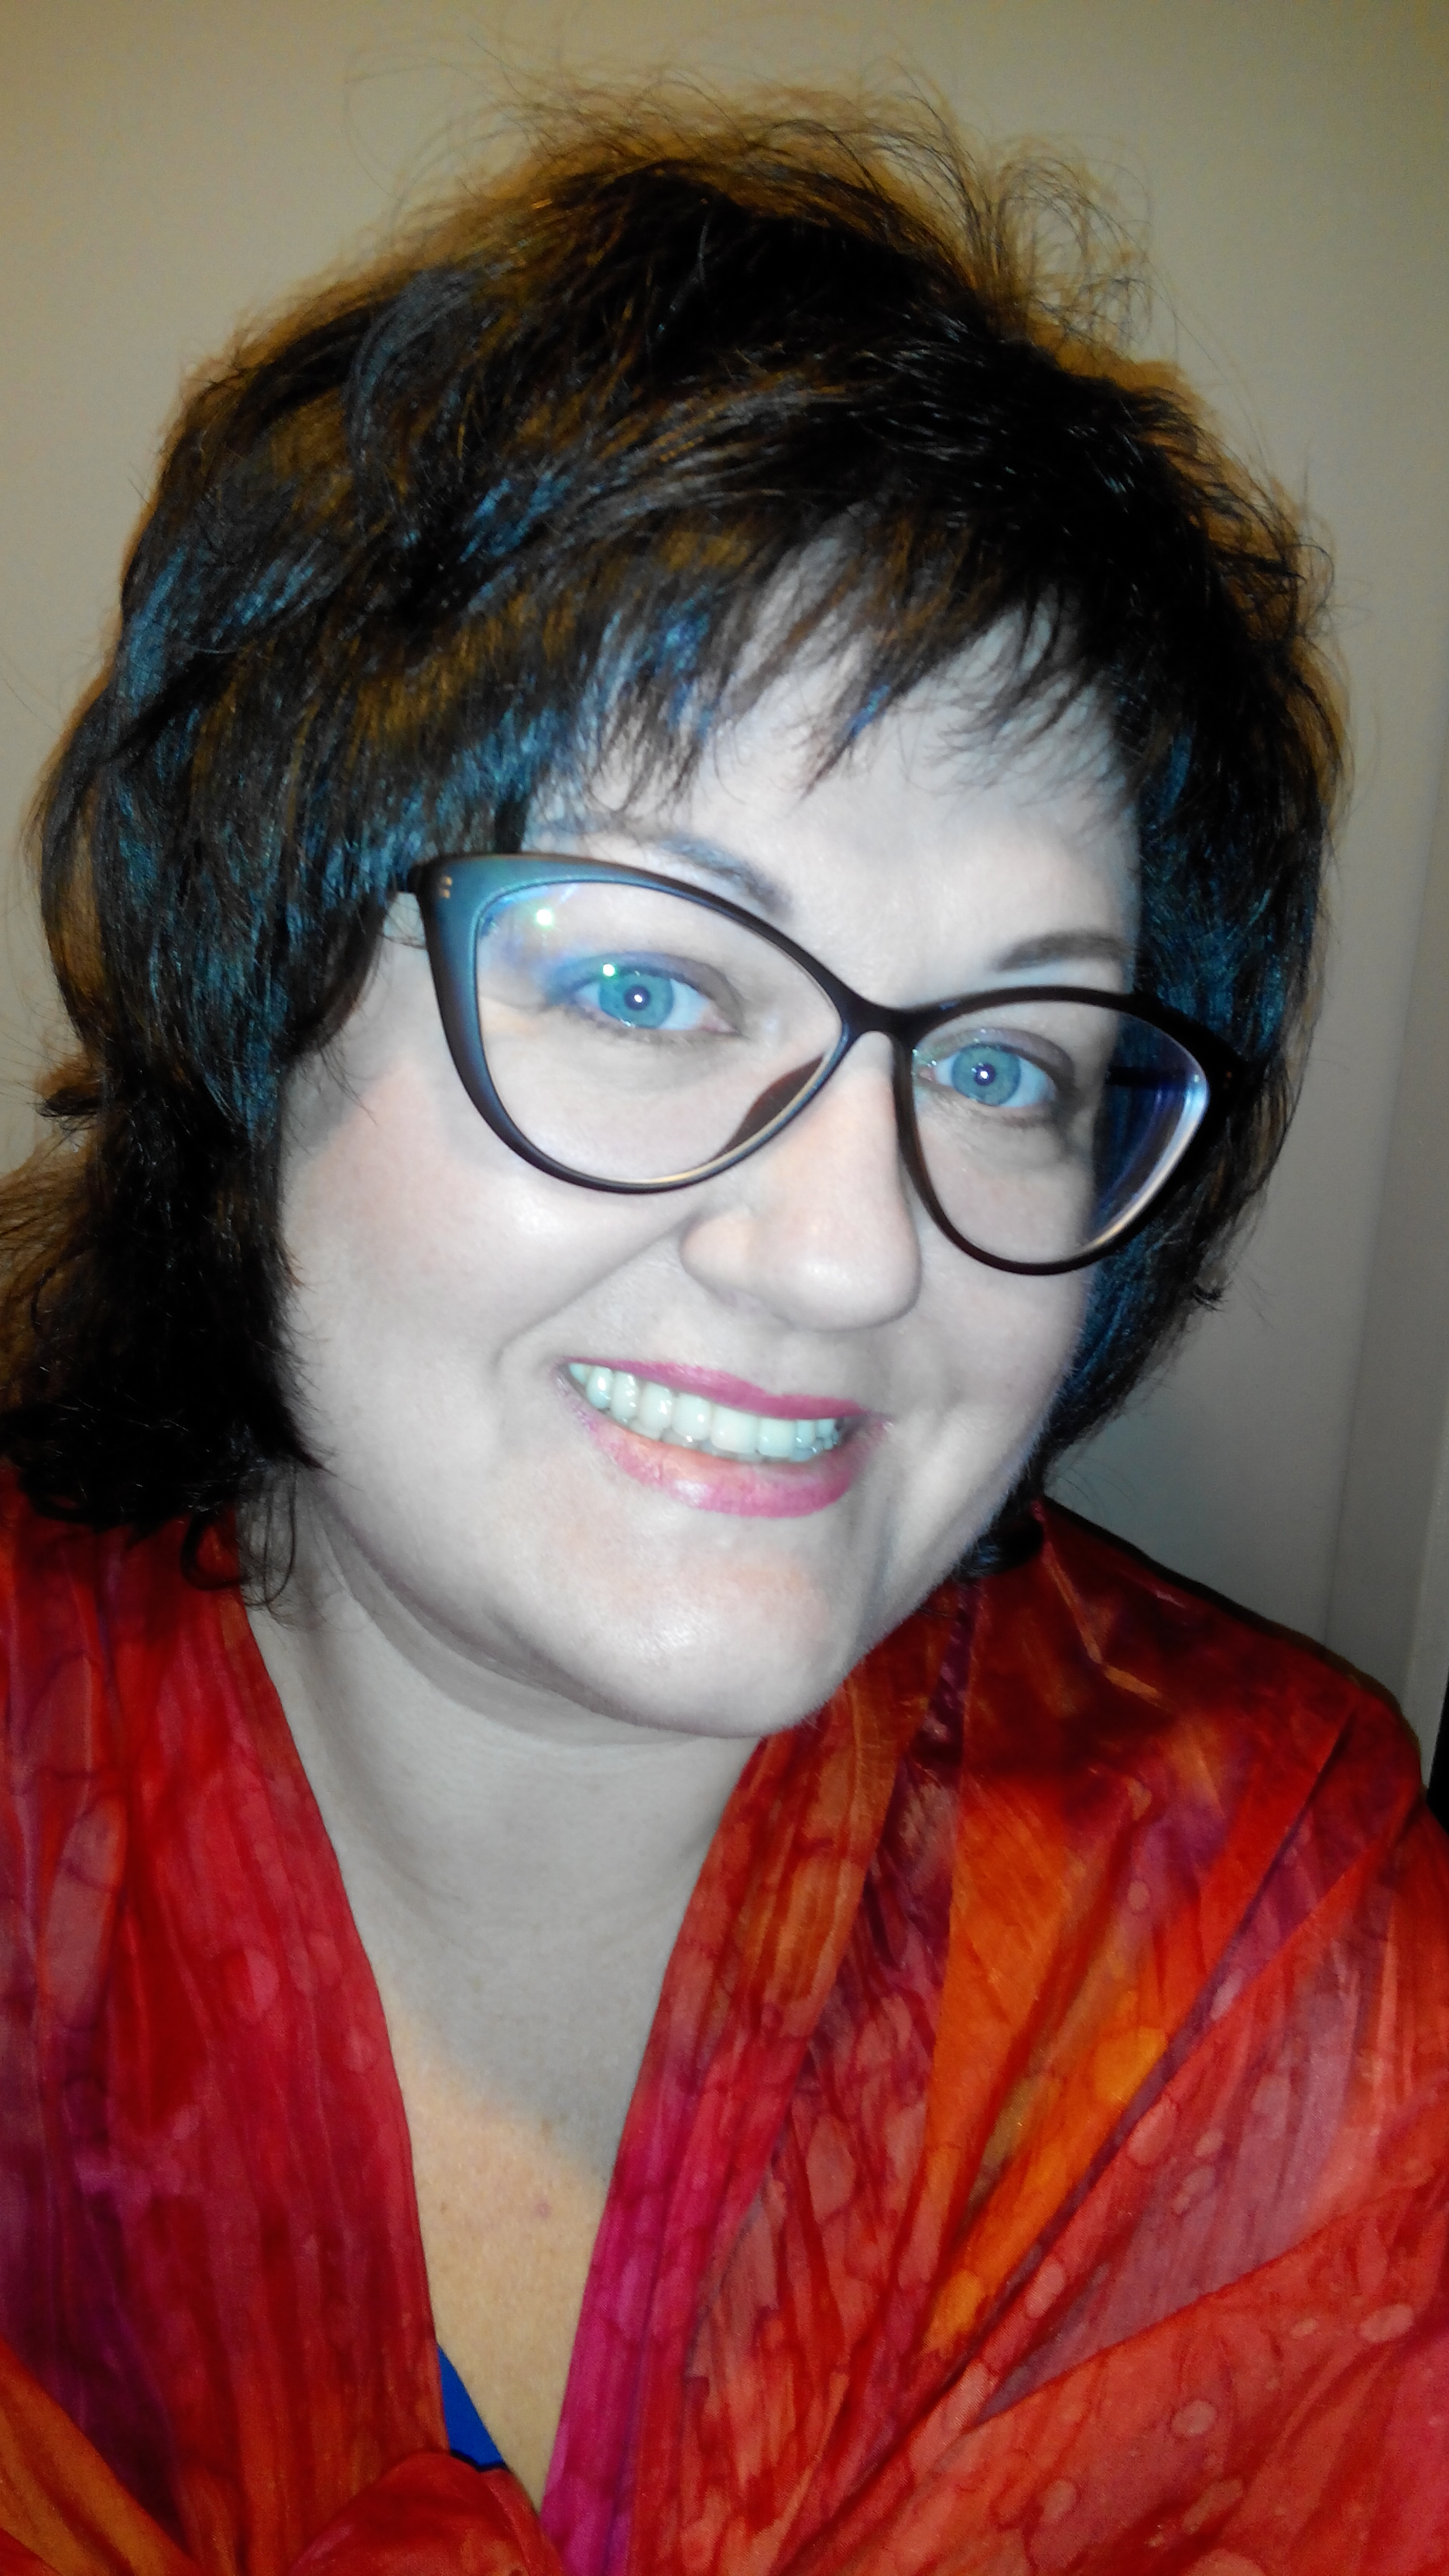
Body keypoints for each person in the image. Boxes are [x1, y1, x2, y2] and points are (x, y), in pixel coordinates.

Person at [0, 98, 1444, 2576]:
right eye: (650, 984)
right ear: (257, 991)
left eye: (1007, 1063)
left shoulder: (1287, 1997)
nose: (853, 1254)